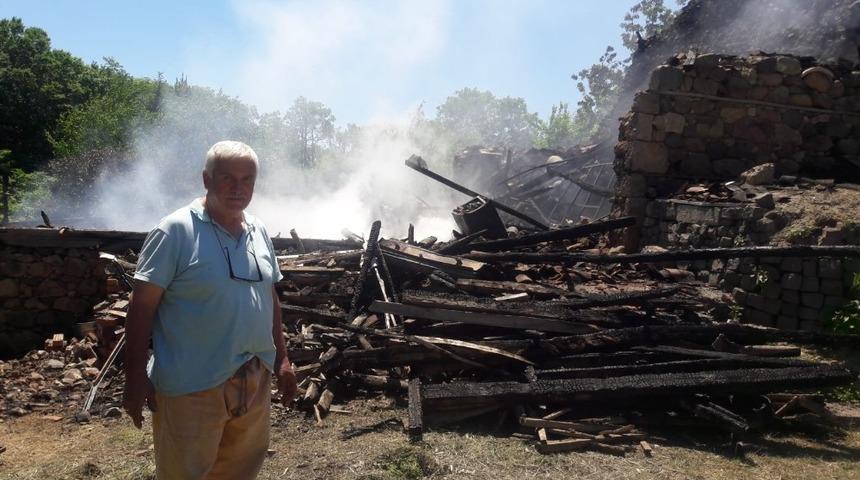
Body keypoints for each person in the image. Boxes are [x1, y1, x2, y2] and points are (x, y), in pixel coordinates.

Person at [122, 140, 298, 479]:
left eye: (247, 179)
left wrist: (282, 359)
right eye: (227, 178)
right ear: (206, 179)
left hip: (252, 379)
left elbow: (269, 297)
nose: (238, 188)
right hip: (192, 386)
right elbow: (141, 307)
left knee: (240, 471)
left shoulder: (258, 231)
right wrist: (134, 378)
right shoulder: (175, 231)